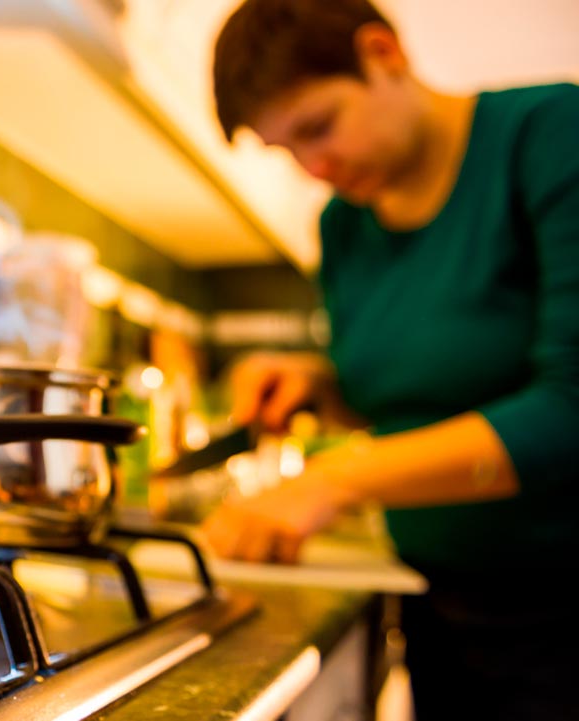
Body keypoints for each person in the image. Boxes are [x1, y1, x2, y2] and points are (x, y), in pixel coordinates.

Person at [201, 1, 579, 719]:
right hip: (435, 603)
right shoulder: (343, 225)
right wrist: (320, 385)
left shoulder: (552, 132)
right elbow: (417, 397)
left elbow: (570, 406)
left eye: (317, 128)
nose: (315, 167)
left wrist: (336, 477)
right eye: (287, 151)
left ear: (382, 53)